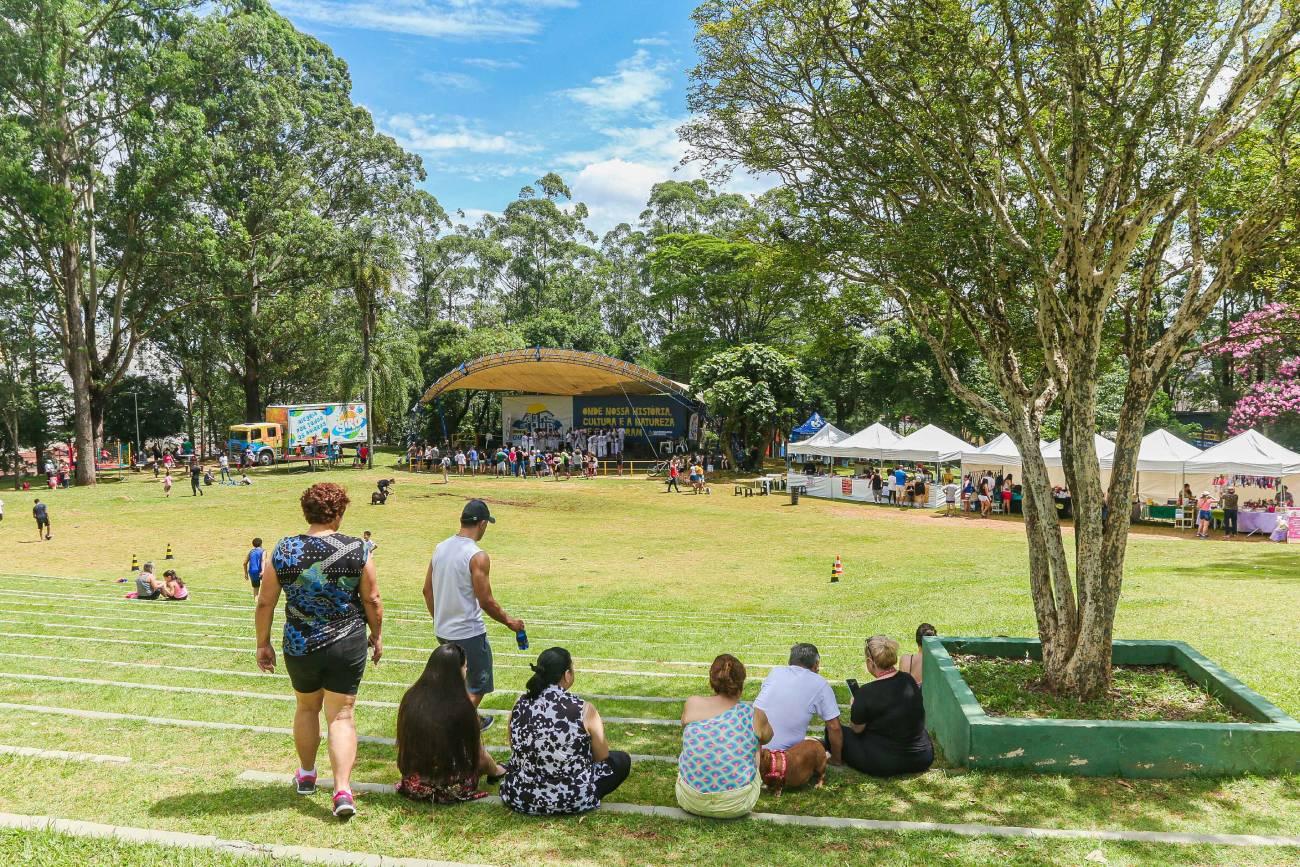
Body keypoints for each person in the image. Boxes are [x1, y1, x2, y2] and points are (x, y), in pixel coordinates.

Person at [255, 482, 384, 820]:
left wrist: (262, 642)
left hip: (300, 643)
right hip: (347, 642)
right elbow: (372, 599)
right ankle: (342, 789)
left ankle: (308, 773)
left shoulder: (284, 549)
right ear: (339, 513)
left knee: (306, 707)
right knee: (341, 715)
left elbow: (266, 600)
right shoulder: (358, 549)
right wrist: (377, 635)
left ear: (306, 511)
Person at [424, 498, 523, 731]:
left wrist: (439, 618)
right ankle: (455, 728)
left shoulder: (440, 547)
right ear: (481, 524)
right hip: (469, 633)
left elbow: (427, 590)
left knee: (455, 681)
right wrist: (511, 622)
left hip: (443, 631)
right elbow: (485, 600)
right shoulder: (477, 555)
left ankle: (471, 720)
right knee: (478, 684)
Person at [499, 647, 631, 815]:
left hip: (520, 796)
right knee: (621, 760)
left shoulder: (520, 703)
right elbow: (602, 756)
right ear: (567, 675)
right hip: (572, 798)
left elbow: (514, 745)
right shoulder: (584, 709)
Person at [395, 644, 506, 804]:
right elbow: (479, 757)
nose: (466, 671)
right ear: (458, 671)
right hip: (452, 788)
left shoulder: (411, 698)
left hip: (414, 785)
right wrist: (496, 771)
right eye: (465, 667)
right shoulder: (463, 707)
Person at [675, 654, 773, 818]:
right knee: (756, 742)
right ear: (741, 683)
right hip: (736, 805)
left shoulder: (692, 703)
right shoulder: (753, 714)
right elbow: (767, 737)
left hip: (690, 801)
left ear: (711, 681)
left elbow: (684, 724)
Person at [840, 636, 934, 777]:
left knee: (835, 732)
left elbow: (857, 729)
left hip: (884, 762)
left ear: (870, 662)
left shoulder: (865, 693)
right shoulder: (909, 680)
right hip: (922, 758)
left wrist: (855, 706)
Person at [754, 643, 842, 765]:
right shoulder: (820, 683)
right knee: (816, 745)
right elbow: (834, 727)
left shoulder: (775, 672)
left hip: (753, 751)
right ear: (816, 664)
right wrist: (836, 759)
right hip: (783, 760)